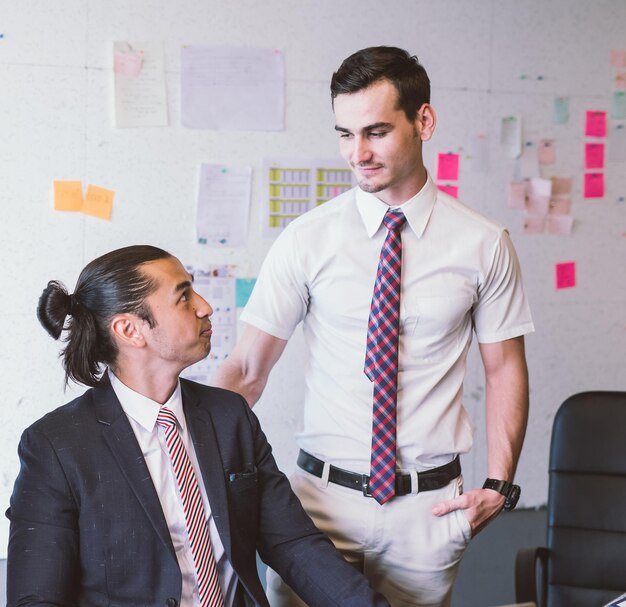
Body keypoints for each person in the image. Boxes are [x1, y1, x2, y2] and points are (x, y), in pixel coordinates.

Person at [214, 46, 534, 607]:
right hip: (317, 505)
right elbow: (246, 369)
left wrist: (500, 487)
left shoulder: (484, 244)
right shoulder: (307, 239)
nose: (357, 153)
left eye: (376, 131)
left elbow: (505, 365)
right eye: (345, 133)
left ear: (424, 121)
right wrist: (183, 464)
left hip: (427, 511)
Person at [6, 245, 390, 607]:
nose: (205, 308)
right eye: (184, 296)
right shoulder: (56, 445)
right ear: (129, 330)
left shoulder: (229, 416)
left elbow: (293, 543)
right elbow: (37, 597)